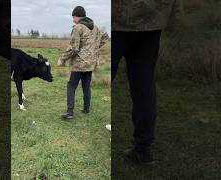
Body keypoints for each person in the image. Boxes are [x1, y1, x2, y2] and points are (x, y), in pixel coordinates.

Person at [112, 0, 183, 165]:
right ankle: (143, 149)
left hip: (117, 18)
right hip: (151, 19)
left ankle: (141, 149)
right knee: (144, 86)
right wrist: (175, 13)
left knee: (113, 80)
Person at [57, 6, 109, 120]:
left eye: (73, 17)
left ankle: (70, 112)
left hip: (78, 65)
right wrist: (94, 48)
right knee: (86, 87)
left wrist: (62, 58)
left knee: (71, 86)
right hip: (90, 64)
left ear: (77, 16)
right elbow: (106, 37)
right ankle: (86, 109)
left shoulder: (78, 27)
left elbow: (74, 48)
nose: (72, 20)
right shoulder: (95, 27)